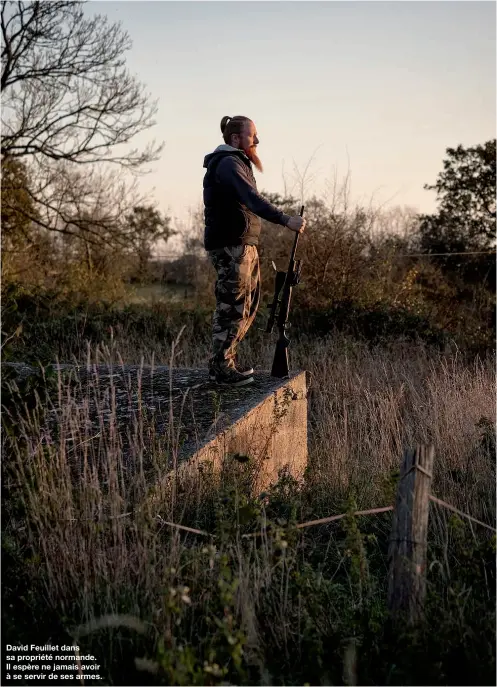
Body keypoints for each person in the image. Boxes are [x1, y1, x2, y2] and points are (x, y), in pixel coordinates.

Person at [203, 115, 306, 387]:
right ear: (236, 139)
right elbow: (251, 198)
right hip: (231, 245)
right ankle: (221, 369)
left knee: (248, 304)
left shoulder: (236, 163)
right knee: (233, 305)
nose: (257, 140)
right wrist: (285, 219)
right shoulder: (227, 164)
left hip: (243, 243)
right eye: (252, 135)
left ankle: (226, 363)